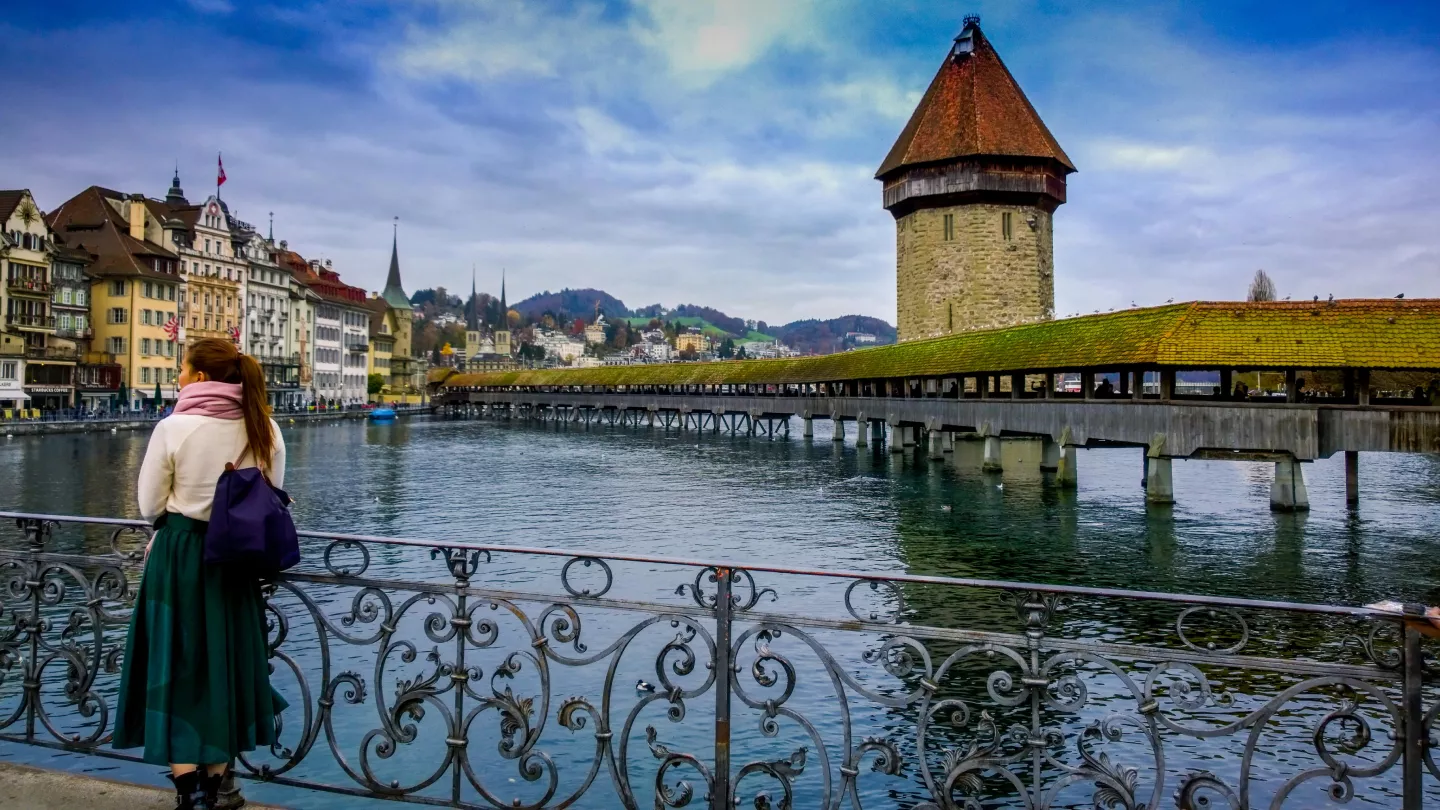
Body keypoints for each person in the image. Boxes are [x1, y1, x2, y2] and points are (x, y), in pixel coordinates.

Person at [114, 338, 288, 809]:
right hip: (237, 562)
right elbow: (273, 498)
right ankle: (216, 787)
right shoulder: (265, 428)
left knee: (175, 665)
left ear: (202, 378)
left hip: (182, 556)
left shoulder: (174, 427)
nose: (178, 378)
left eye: (183, 369)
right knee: (222, 665)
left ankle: (189, 792)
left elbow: (150, 505)